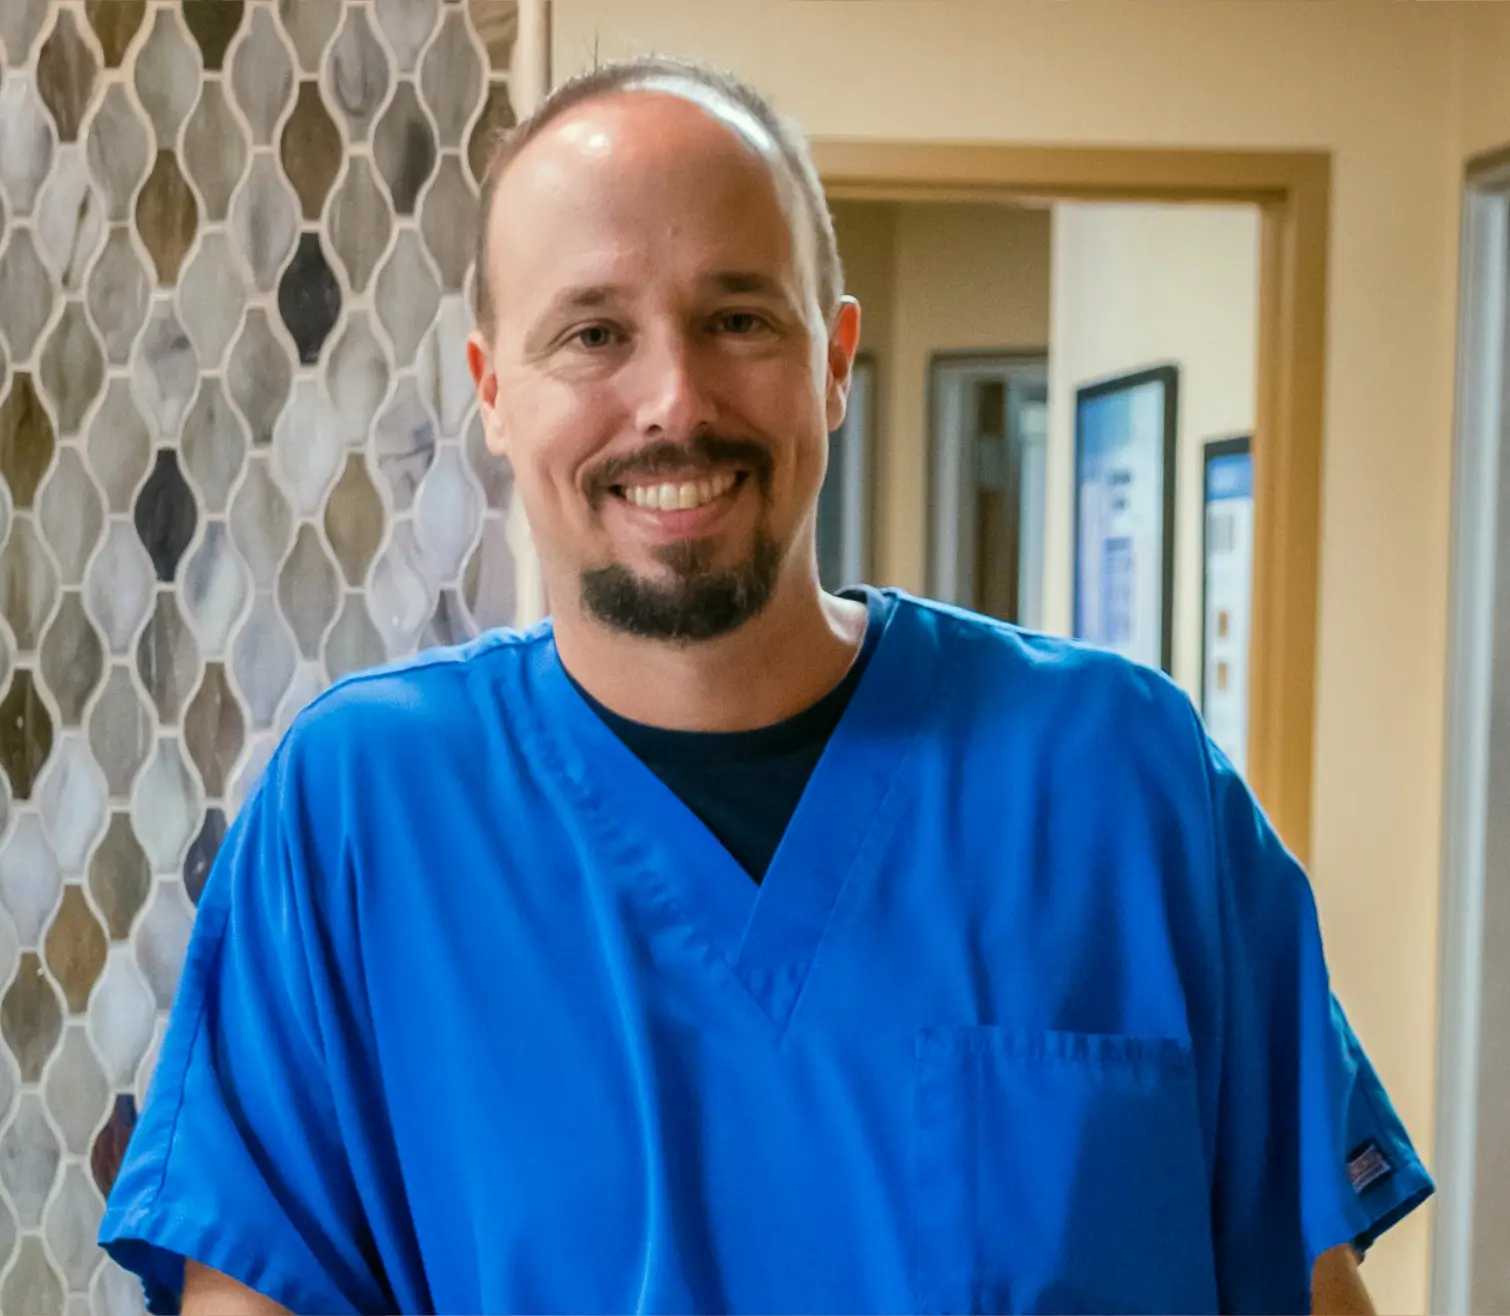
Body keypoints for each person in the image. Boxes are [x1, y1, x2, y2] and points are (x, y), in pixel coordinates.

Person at [100, 56, 1431, 1316]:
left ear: (834, 358)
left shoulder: (1122, 780)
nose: (673, 398)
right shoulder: (362, 815)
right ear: (493, 391)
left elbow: (1298, 1283)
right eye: (592, 333)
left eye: (737, 318)